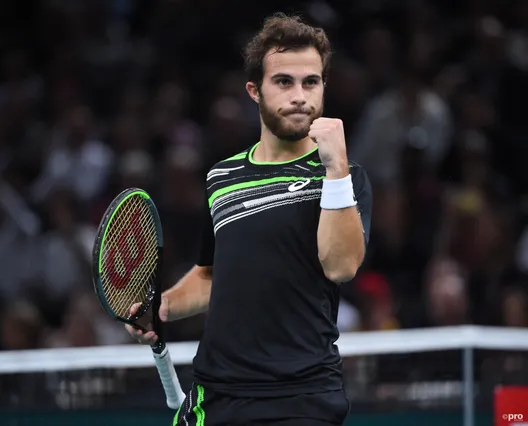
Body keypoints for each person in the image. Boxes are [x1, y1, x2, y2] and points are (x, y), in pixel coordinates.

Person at [126, 13, 372, 426]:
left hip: (300, 398)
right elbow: (210, 275)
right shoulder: (222, 177)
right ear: (255, 91)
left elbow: (341, 266)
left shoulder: (347, 177)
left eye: (311, 82)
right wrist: (162, 306)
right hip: (215, 394)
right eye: (284, 82)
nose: (299, 95)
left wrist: (335, 169)